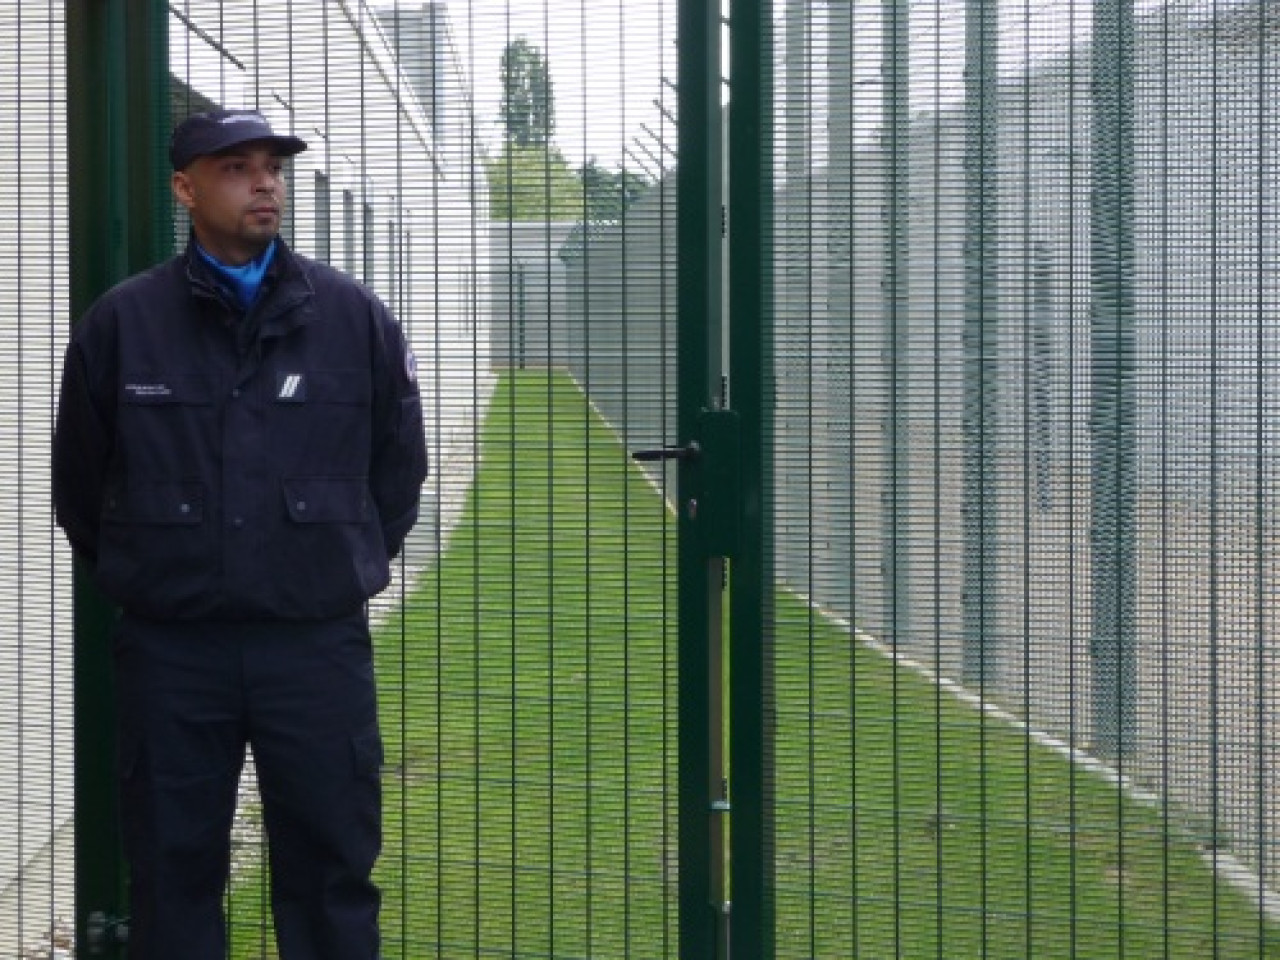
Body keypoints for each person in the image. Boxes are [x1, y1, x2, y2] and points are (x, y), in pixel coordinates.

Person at [52, 108, 428, 959]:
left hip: (314, 650)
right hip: (173, 656)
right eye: (236, 167)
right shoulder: (123, 325)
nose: (265, 182)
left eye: (273, 166)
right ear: (185, 188)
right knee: (171, 870)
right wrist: (154, 576)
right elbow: (81, 486)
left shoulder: (351, 319)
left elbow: (397, 474)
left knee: (331, 869)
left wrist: (331, 566)